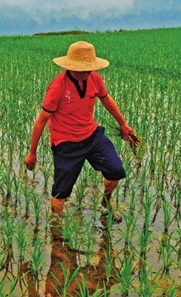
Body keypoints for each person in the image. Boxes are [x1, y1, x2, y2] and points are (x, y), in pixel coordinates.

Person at [25, 41, 134, 220]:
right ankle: (57, 232)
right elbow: (40, 121)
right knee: (61, 192)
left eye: (88, 69)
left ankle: (106, 201)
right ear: (69, 66)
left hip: (91, 135)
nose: (84, 73)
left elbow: (106, 100)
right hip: (66, 142)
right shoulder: (57, 87)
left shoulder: (95, 79)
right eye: (79, 69)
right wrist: (32, 153)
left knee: (116, 170)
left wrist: (123, 124)